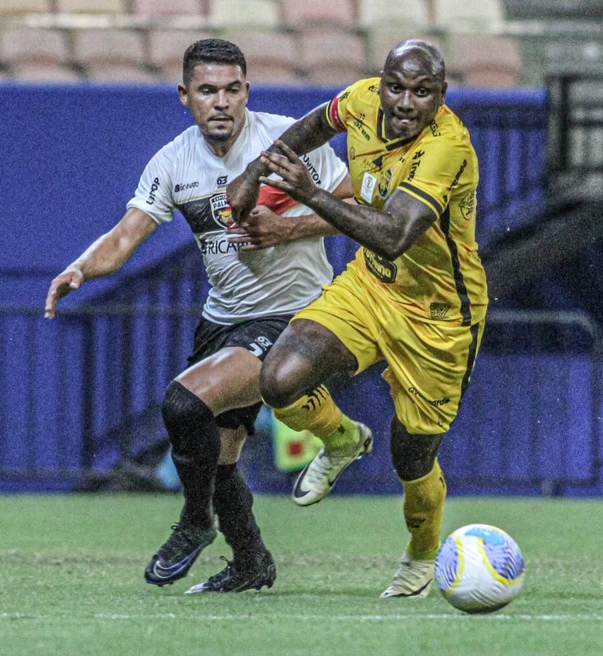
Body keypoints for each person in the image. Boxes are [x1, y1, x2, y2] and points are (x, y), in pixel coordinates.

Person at [44, 38, 355, 593]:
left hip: (294, 317)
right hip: (223, 321)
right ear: (184, 95)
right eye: (207, 91)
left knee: (183, 401)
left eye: (232, 90)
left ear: (247, 93)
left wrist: (289, 227)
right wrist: (80, 270)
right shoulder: (173, 162)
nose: (221, 102)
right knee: (219, 460)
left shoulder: (286, 140)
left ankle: (193, 524)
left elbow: (355, 208)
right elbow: (122, 240)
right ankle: (251, 562)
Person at [226, 39, 486, 598]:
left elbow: (393, 235)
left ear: (441, 96)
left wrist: (310, 194)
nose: (405, 102)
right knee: (279, 380)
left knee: (412, 458)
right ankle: (342, 439)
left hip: (440, 317)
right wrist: (253, 173)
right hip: (371, 287)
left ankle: (421, 554)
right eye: (397, 86)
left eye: (422, 92)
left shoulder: (447, 146)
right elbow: (311, 128)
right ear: (382, 82)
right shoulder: (363, 99)